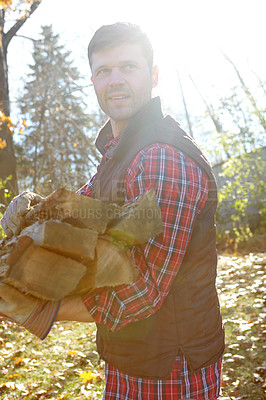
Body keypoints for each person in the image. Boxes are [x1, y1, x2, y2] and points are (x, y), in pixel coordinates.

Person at [0, 22, 224, 400]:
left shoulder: (161, 158)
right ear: (93, 81)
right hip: (132, 354)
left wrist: (40, 308)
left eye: (129, 67)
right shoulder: (121, 151)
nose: (115, 80)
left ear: (153, 76)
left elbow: (143, 290)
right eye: (104, 70)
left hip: (170, 367)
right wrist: (32, 207)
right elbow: (83, 208)